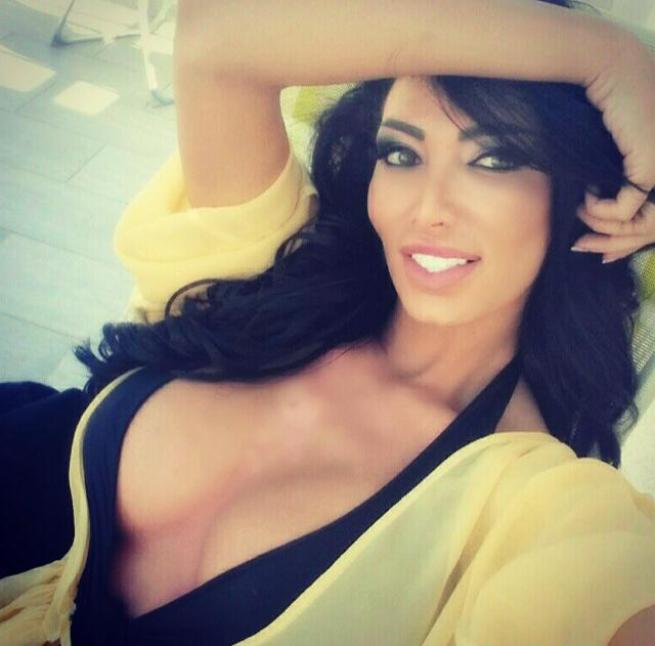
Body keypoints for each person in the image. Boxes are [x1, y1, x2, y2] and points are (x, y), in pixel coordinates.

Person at [2, 0, 655, 644]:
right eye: (401, 155)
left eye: (495, 160)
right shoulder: (282, 264)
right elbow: (219, 34)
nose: (427, 208)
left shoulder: (532, 509)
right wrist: (609, 55)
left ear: (584, 196)